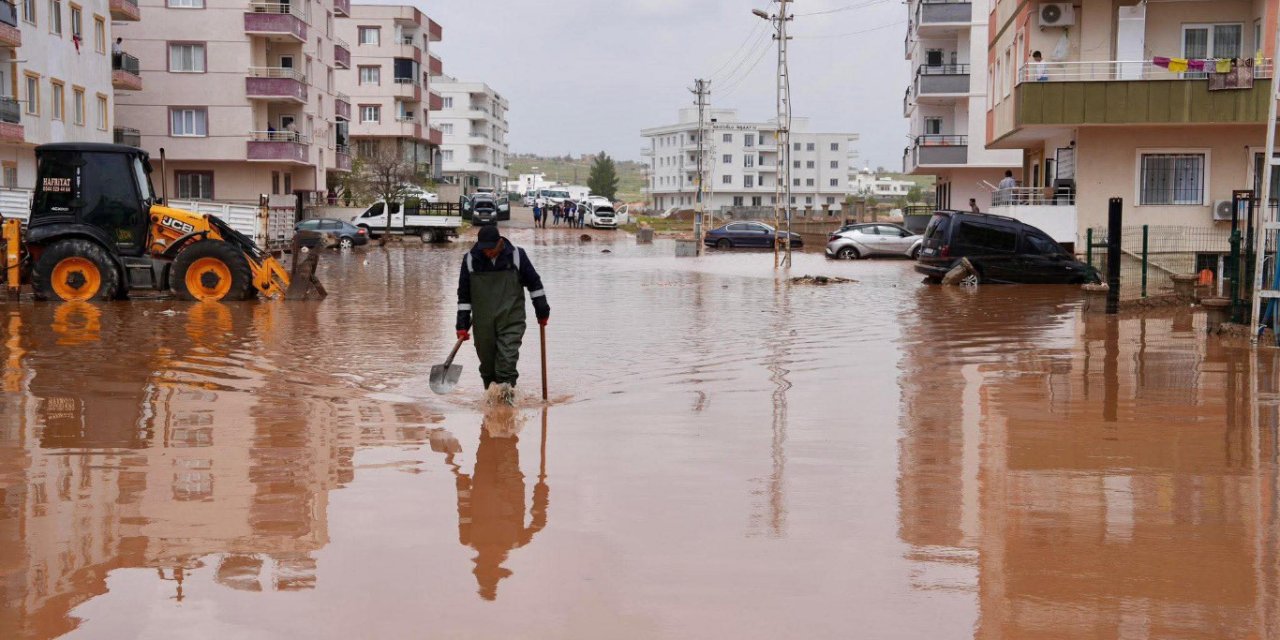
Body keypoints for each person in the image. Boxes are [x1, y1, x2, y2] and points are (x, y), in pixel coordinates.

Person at [456, 225, 550, 403]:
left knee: (506, 364)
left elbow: (534, 284)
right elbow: (464, 296)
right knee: (488, 368)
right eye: (484, 249)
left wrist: (542, 310)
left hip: (511, 319)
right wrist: (461, 324)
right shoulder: (470, 260)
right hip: (483, 323)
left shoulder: (516, 256)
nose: (488, 253)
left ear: (500, 242)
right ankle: (491, 410)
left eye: (491, 248)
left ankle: (507, 409)